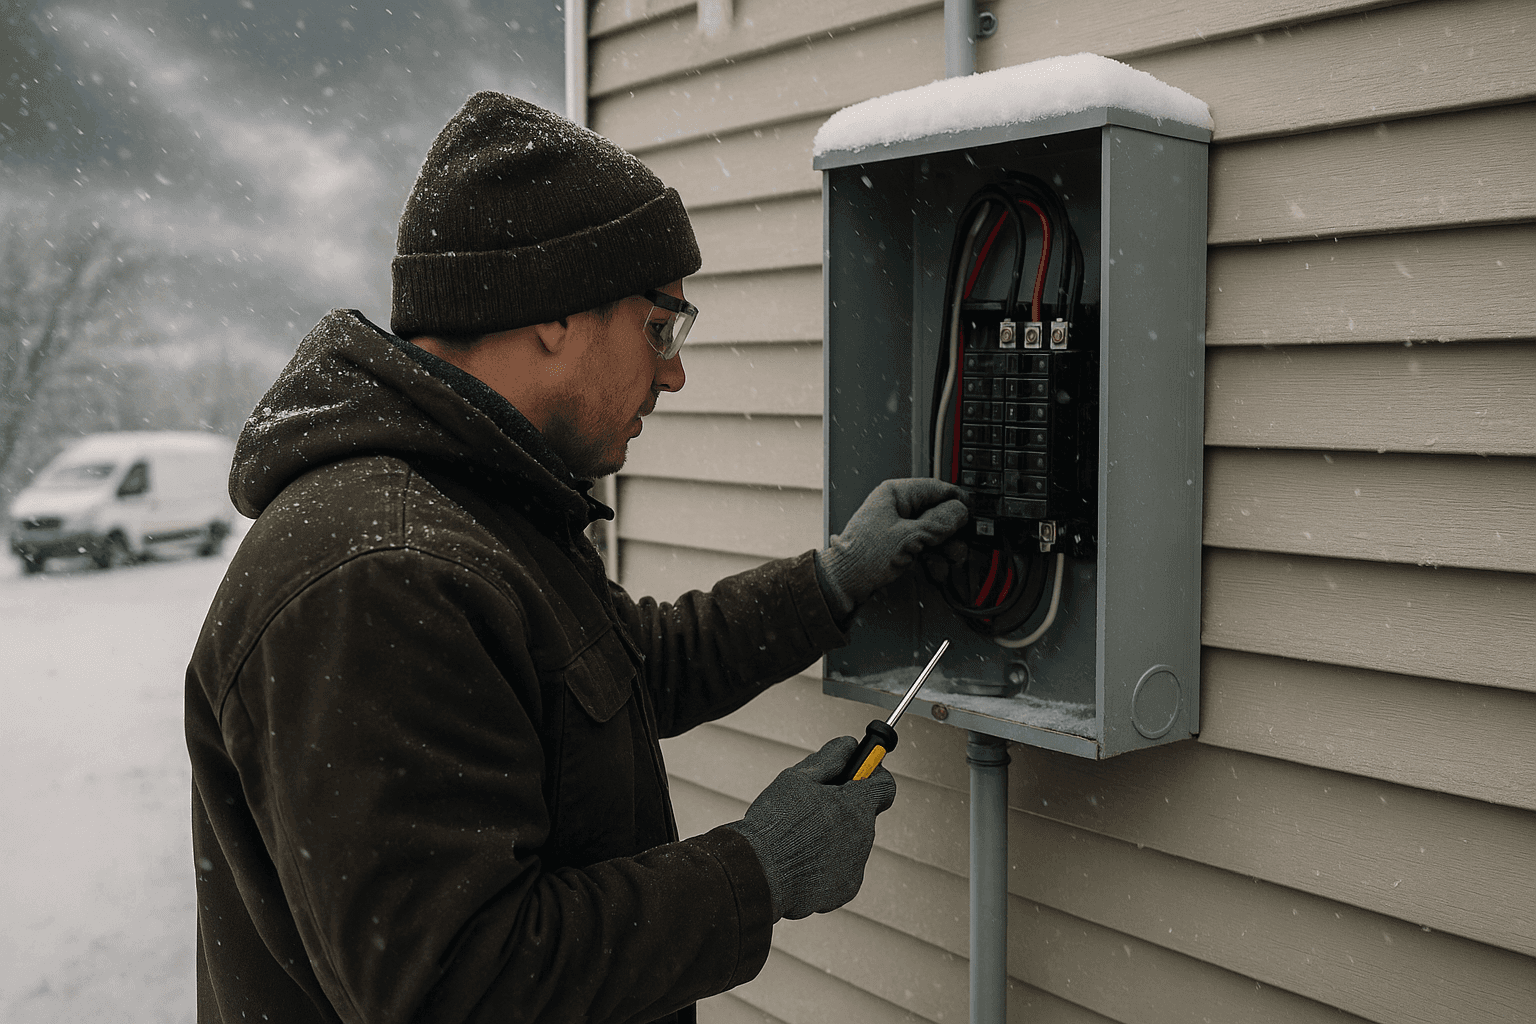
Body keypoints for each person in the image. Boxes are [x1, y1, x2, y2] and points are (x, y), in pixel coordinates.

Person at [185, 91, 967, 1024]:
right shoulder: (381, 575)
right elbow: (460, 984)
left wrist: (833, 578)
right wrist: (755, 872)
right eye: (659, 327)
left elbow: (621, 673)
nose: (674, 372)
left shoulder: (477, 510)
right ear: (554, 314)